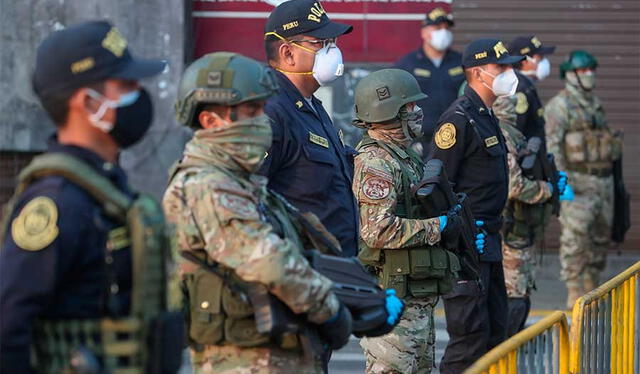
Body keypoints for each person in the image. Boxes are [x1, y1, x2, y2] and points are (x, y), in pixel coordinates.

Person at [0, 20, 181, 374]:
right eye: (126, 85)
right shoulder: (58, 202)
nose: (139, 94)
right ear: (88, 102)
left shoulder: (106, 189)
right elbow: (7, 323)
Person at [165, 52, 356, 374]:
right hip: (242, 357)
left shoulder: (244, 183)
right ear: (211, 121)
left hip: (274, 349)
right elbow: (268, 262)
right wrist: (332, 310)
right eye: (252, 112)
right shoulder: (208, 185)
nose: (262, 121)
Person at [351, 68, 477, 374]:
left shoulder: (405, 157)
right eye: (410, 107)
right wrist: (439, 227)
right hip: (394, 297)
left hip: (416, 299)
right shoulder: (376, 162)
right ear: (389, 112)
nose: (418, 112)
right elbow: (377, 231)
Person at [428, 39, 524, 373]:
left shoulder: (485, 115)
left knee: (495, 334)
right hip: (467, 246)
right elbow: (436, 187)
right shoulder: (458, 120)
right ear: (477, 72)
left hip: (490, 242)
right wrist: (455, 237)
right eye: (502, 67)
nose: (510, 73)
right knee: (468, 340)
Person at [261, 0, 360, 257]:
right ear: (288, 54)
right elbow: (248, 202)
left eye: (333, 43)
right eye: (319, 43)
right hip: (303, 273)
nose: (332, 51)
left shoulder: (311, 105)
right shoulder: (271, 112)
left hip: (336, 269)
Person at [545, 50, 621, 309]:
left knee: (600, 237)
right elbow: (552, 146)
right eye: (584, 70)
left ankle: (591, 288)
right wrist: (561, 180)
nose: (590, 75)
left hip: (602, 182)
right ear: (571, 74)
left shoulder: (594, 103)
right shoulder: (560, 105)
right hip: (577, 182)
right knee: (575, 239)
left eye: (591, 70)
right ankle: (574, 290)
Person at [492, 95, 569, 336]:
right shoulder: (501, 134)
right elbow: (514, 186)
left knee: (520, 286)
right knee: (514, 288)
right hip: (508, 227)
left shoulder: (510, 132)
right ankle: (505, 347)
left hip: (518, 226)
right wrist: (548, 189)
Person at [394, 7, 464, 149]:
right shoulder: (408, 64)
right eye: (437, 28)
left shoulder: (461, 62)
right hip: (420, 142)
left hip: (456, 138)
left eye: (446, 28)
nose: (443, 32)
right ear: (424, 32)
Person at [507, 35, 556, 143]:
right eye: (540, 58)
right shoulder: (519, 89)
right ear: (524, 61)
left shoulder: (527, 85)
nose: (544, 62)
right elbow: (517, 132)